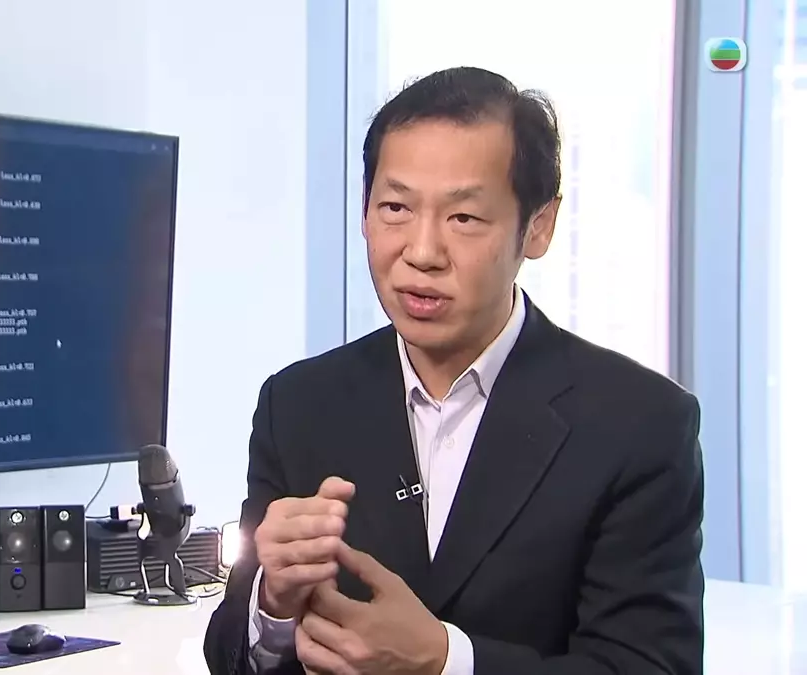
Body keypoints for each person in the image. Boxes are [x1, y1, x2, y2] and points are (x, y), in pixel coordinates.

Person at [202, 66, 705, 675]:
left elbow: (651, 665)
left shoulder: (640, 425)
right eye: (395, 207)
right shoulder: (298, 404)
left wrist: (446, 660)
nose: (422, 252)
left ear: (539, 226)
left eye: (463, 218)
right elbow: (230, 652)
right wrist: (272, 603)